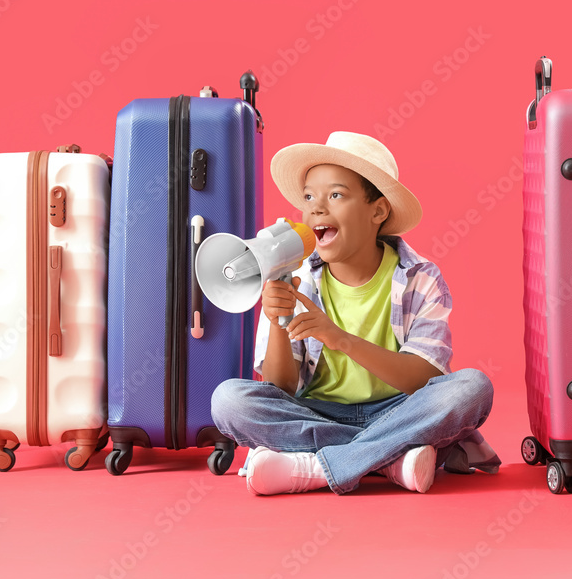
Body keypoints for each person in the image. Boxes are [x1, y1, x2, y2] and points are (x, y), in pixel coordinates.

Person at [210, 131, 497, 495]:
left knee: (471, 388)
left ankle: (317, 466)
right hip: (316, 414)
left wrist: (340, 339)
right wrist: (277, 323)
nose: (316, 207)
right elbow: (280, 388)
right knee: (228, 400)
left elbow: (422, 380)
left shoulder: (419, 278)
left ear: (377, 210)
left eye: (335, 195)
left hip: (399, 409)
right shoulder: (296, 276)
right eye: (309, 196)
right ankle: (389, 459)